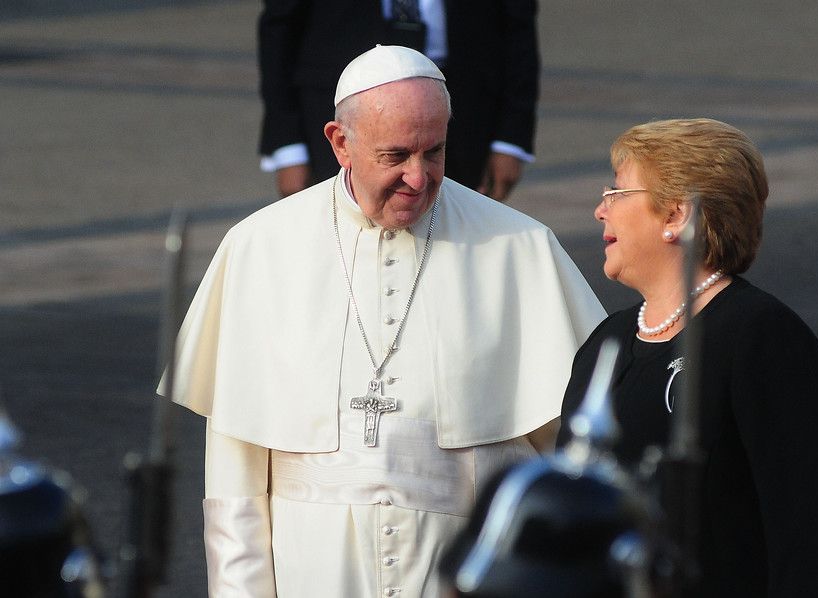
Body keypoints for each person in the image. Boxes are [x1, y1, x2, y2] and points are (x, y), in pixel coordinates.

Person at [164, 45, 605, 597]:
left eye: (435, 153)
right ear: (340, 142)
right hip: (314, 571)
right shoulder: (259, 249)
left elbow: (575, 457)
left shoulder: (517, 246)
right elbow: (235, 481)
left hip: (465, 571)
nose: (418, 179)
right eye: (395, 156)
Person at [556, 118, 818, 597]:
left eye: (617, 193)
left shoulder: (761, 335)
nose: (600, 211)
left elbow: (813, 532)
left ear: (677, 216)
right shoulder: (608, 343)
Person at [258, 0, 539, 201]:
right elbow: (279, 29)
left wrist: (510, 138)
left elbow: (519, 27)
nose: (415, 177)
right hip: (345, 109)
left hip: (466, 113)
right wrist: (288, 146)